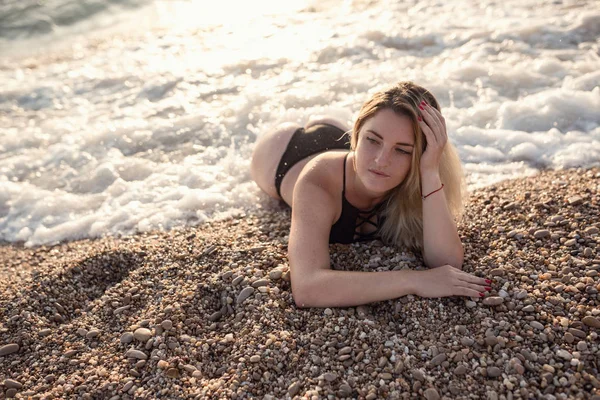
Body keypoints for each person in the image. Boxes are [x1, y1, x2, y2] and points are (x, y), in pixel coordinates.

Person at [250, 81, 492, 308]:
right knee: (274, 145)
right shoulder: (318, 181)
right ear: (356, 135)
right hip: (282, 153)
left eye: (402, 150)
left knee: (383, 140)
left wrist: (429, 170)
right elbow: (307, 287)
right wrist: (415, 280)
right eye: (372, 141)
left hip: (343, 141)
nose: (381, 161)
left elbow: (447, 264)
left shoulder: (416, 177)